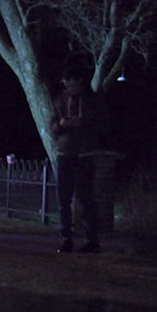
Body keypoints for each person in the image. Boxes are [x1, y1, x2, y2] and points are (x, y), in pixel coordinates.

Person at [50, 65, 109, 254]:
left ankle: (92, 240)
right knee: (63, 199)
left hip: (85, 154)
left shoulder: (91, 100)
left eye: (73, 85)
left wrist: (82, 122)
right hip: (64, 153)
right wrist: (60, 124)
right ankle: (66, 238)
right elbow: (51, 126)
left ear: (80, 83)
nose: (69, 89)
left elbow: (102, 123)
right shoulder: (60, 100)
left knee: (86, 198)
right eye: (67, 86)